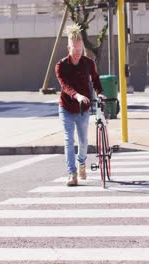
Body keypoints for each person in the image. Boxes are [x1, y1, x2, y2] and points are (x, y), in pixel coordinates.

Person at [55, 24, 105, 187]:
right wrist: (76, 95)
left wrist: (100, 92)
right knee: (69, 139)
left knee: (83, 142)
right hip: (67, 107)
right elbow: (65, 86)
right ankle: (72, 173)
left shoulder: (88, 63)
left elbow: (95, 79)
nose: (78, 52)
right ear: (68, 47)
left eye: (80, 49)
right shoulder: (61, 65)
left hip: (83, 108)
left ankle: (81, 163)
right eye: (74, 49)